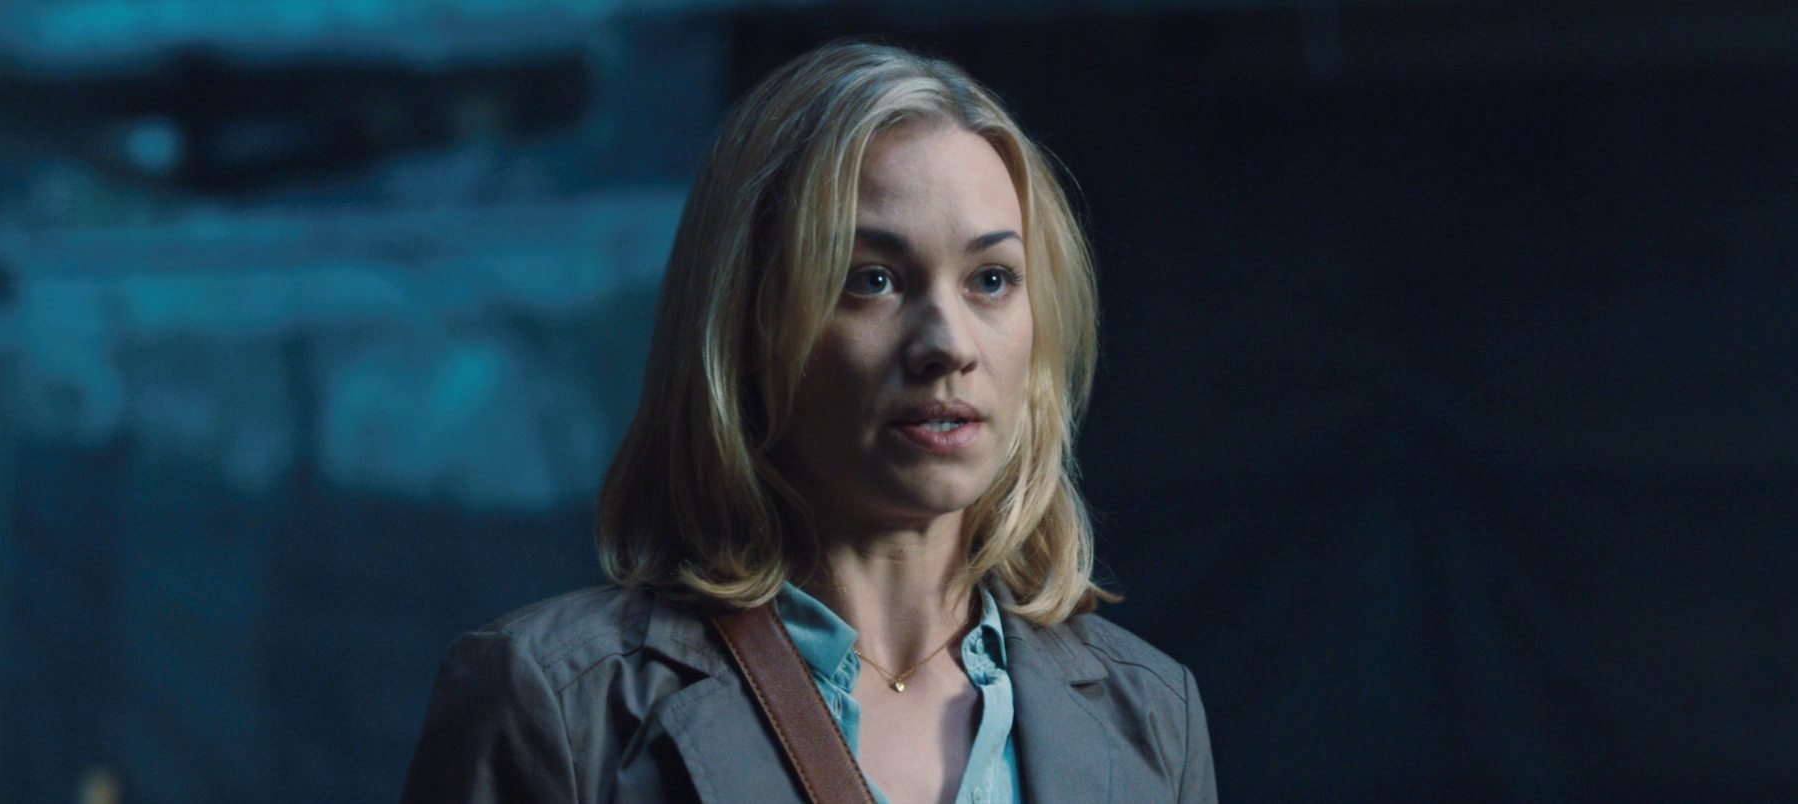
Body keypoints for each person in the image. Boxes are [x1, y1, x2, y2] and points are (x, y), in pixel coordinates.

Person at [401, 40, 1216, 803]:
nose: (948, 344)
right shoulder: (559, 703)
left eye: (992, 280)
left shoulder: (1151, 719)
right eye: (873, 279)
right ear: (746, 322)